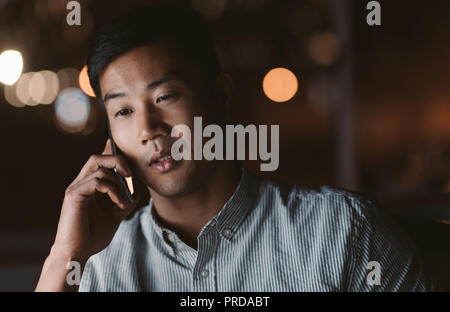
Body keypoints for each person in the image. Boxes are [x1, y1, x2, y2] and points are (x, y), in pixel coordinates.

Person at [35, 4, 435, 292]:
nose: (148, 130)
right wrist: (63, 255)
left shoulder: (343, 231)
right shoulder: (96, 266)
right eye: (123, 110)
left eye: (165, 96)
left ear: (220, 93)